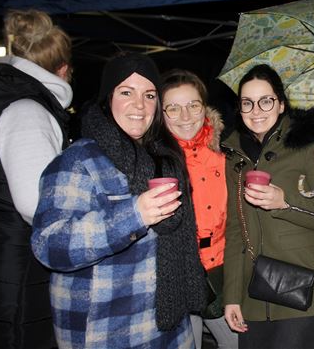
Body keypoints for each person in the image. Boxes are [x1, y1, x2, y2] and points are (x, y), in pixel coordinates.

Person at [31, 52, 207, 348]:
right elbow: (49, 245)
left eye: (149, 95)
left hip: (169, 327)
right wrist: (133, 215)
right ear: (107, 98)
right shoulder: (78, 161)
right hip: (106, 332)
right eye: (127, 92)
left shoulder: (165, 158)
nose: (140, 105)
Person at [222, 64, 314, 349]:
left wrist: (285, 203)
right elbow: (236, 231)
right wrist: (231, 297)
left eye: (266, 101)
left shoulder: (305, 146)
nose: (256, 110)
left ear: (281, 104)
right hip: (256, 292)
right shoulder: (234, 157)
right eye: (247, 103)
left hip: (309, 289)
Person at [0, 9, 72, 349]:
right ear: (64, 69)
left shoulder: (0, 97)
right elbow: (38, 204)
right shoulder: (27, 110)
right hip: (16, 263)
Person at [161, 69, 238, 349]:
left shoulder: (226, 154)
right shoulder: (154, 161)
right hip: (179, 275)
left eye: (193, 105)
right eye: (173, 108)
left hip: (222, 272)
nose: (185, 116)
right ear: (161, 113)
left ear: (204, 108)